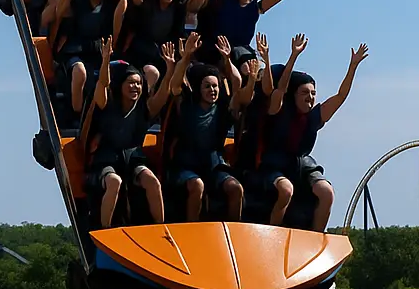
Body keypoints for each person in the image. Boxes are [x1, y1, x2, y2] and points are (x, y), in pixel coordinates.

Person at [252, 34, 368, 231]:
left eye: (313, 94)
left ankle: (315, 237)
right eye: (305, 93)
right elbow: (279, 89)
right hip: (274, 163)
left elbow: (340, 96)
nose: (311, 97)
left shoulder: (314, 117)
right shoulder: (279, 109)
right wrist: (293, 56)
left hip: (301, 163)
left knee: (326, 192)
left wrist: (353, 67)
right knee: (286, 190)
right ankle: (273, 231)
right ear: (294, 95)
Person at [81, 37, 176, 228]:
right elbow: (102, 86)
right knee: (114, 182)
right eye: (131, 83)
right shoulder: (107, 105)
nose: (135, 87)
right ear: (122, 86)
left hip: (131, 157)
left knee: (152, 182)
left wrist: (170, 68)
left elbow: (164, 93)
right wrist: (106, 60)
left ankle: (161, 228)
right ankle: (105, 230)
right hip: (106, 158)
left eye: (139, 84)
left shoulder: (144, 109)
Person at [162, 34, 251, 221]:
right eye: (208, 87)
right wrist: (186, 57)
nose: (213, 90)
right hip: (186, 164)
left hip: (213, 164)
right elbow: (175, 85)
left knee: (236, 189)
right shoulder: (187, 105)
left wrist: (227, 59)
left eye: (215, 87)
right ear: (199, 89)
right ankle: (191, 227)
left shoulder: (222, 109)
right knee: (197, 186)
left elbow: (236, 83)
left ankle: (232, 230)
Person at [43, 0, 126, 115]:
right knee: (79, 71)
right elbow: (59, 12)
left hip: (100, 51)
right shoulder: (78, 1)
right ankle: (77, 113)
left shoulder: (110, 4)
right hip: (77, 51)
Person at [122, 0, 210, 92]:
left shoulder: (177, 8)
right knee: (153, 72)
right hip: (143, 51)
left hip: (165, 51)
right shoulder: (150, 3)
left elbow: (193, 5)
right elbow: (137, 1)